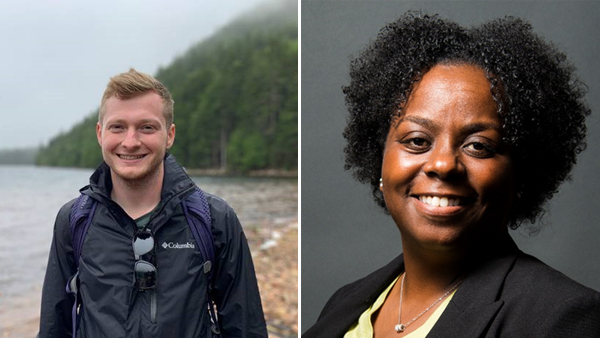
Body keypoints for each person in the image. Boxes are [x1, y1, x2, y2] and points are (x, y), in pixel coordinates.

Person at [303, 12, 600, 338]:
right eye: (417, 141)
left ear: (522, 172)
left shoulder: (563, 319)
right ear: (379, 160)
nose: (443, 165)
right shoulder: (343, 305)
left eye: (479, 146)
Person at [37, 69, 267, 338]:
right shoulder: (75, 220)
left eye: (147, 127)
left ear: (169, 135)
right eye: (118, 127)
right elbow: (55, 326)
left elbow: (246, 327)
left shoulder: (213, 218)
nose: (131, 142)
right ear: (100, 133)